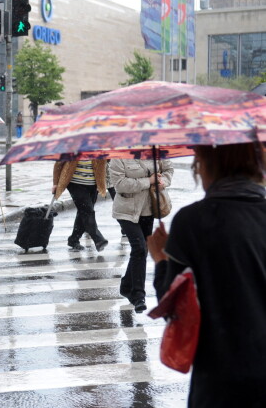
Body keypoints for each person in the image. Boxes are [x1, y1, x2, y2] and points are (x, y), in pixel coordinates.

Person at [147, 144, 265, 406]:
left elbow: (174, 306)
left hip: (221, 377)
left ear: (211, 165)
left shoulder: (193, 221)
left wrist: (162, 260)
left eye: (198, 163)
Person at [109, 158, 173, 313]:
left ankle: (126, 285)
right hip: (126, 211)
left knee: (142, 250)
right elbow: (119, 184)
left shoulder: (155, 150)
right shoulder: (118, 158)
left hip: (149, 209)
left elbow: (168, 170)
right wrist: (148, 180)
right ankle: (138, 295)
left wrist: (161, 181)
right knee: (139, 248)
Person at [52, 159, 109, 252]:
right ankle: (98, 239)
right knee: (87, 211)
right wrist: (55, 183)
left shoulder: (98, 148)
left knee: (84, 212)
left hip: (93, 184)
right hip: (75, 183)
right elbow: (58, 163)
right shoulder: (73, 146)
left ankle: (73, 239)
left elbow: (107, 160)